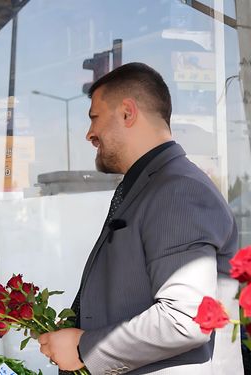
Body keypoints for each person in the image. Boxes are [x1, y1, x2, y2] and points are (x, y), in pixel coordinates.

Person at [38, 63, 242, 374]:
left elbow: (185, 319)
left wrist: (84, 347)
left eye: (94, 117)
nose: (89, 133)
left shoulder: (178, 190)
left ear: (127, 113)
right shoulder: (154, 185)